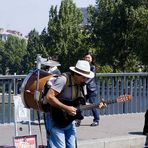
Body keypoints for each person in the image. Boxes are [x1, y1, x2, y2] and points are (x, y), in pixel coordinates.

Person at [43, 60, 107, 148]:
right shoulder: (63, 79)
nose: (86, 80)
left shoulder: (81, 84)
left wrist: (97, 105)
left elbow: (80, 104)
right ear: (76, 74)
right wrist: (66, 108)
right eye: (84, 77)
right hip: (55, 118)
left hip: (70, 120)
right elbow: (49, 96)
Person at [84, 53, 100, 126]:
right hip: (83, 89)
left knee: (93, 105)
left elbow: (91, 77)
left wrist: (83, 82)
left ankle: (96, 120)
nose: (87, 59)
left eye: (88, 57)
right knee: (80, 103)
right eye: (86, 57)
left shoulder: (92, 67)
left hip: (91, 89)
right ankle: (78, 120)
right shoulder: (83, 66)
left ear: (92, 59)